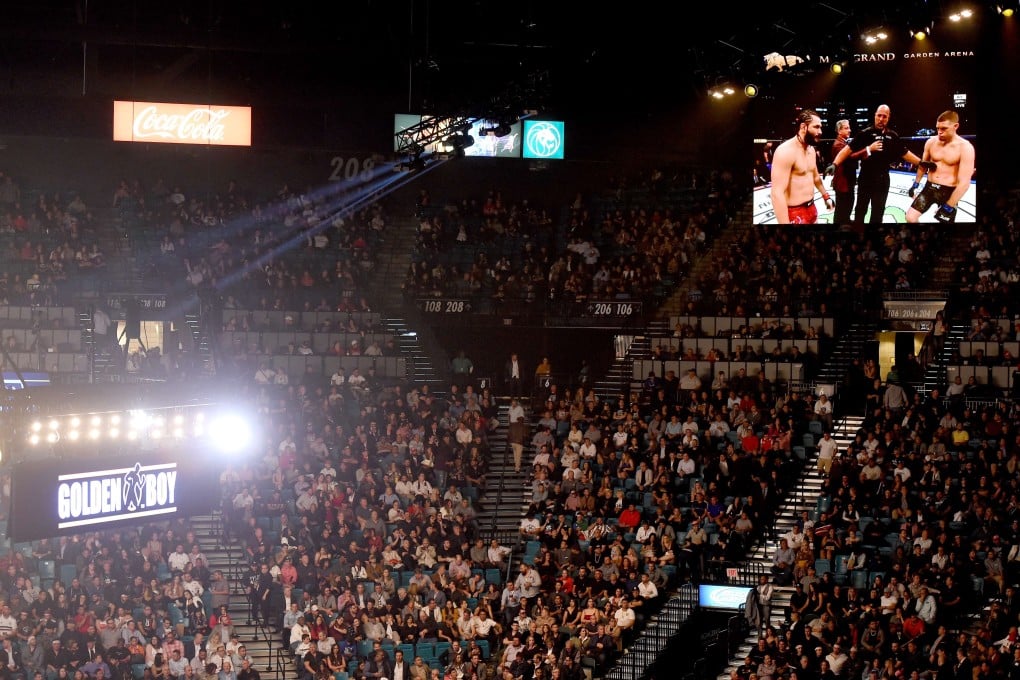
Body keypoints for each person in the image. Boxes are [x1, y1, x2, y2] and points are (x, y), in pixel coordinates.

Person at [832, 103, 922, 225]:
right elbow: (847, 150)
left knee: (878, 213)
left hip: (882, 180)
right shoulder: (865, 133)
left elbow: (905, 153)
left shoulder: (892, 135)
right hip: (865, 178)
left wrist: (921, 162)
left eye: (884, 116)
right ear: (875, 116)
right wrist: (835, 164)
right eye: (879, 115)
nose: (881, 119)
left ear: (888, 117)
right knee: (860, 211)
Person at [906, 110, 975, 223]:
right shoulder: (931, 142)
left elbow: (964, 183)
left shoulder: (965, 148)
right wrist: (915, 184)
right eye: (938, 128)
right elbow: (923, 165)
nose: (939, 132)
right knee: (910, 218)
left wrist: (948, 206)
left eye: (944, 128)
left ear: (955, 126)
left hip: (949, 191)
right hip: (929, 188)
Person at [769, 109, 834, 224]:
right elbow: (777, 193)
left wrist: (826, 196)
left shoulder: (811, 150)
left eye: (820, 127)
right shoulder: (785, 151)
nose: (820, 131)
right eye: (816, 127)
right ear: (803, 127)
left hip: (812, 207)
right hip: (794, 212)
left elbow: (815, 177)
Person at [828, 119, 857, 225]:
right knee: (841, 208)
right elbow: (851, 158)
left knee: (848, 204)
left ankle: (846, 220)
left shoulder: (843, 143)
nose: (850, 130)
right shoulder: (838, 145)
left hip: (847, 181)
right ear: (839, 131)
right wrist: (867, 150)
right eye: (846, 128)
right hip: (843, 183)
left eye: (849, 127)